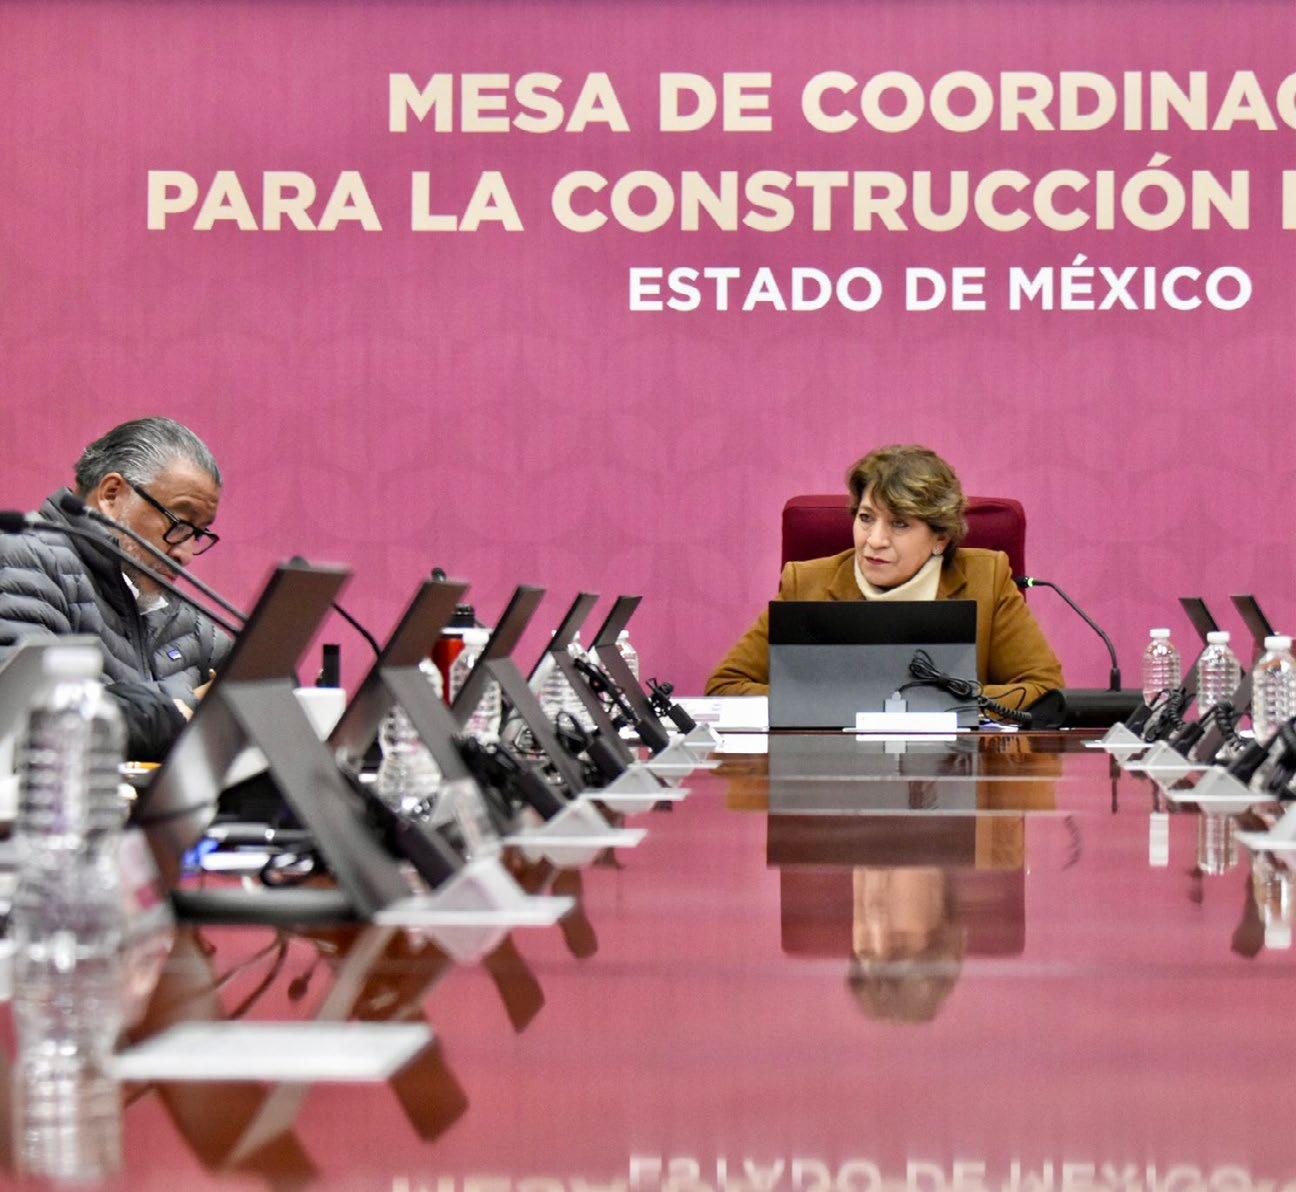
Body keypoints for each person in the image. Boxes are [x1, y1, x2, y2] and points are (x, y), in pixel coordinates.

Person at [705, 444, 1064, 714]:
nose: (874, 540)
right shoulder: (806, 583)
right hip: (835, 772)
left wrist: (930, 706)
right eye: (866, 518)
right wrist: (844, 703)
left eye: (899, 524)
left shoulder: (987, 578)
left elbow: (1044, 689)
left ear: (940, 538)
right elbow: (724, 689)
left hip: (953, 773)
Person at [0, 417, 231, 759]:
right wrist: (181, 712)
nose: (185, 554)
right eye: (180, 523)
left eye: (197, 533)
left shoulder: (175, 611)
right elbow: (35, 709)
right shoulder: (23, 559)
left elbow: (253, 689)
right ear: (112, 495)